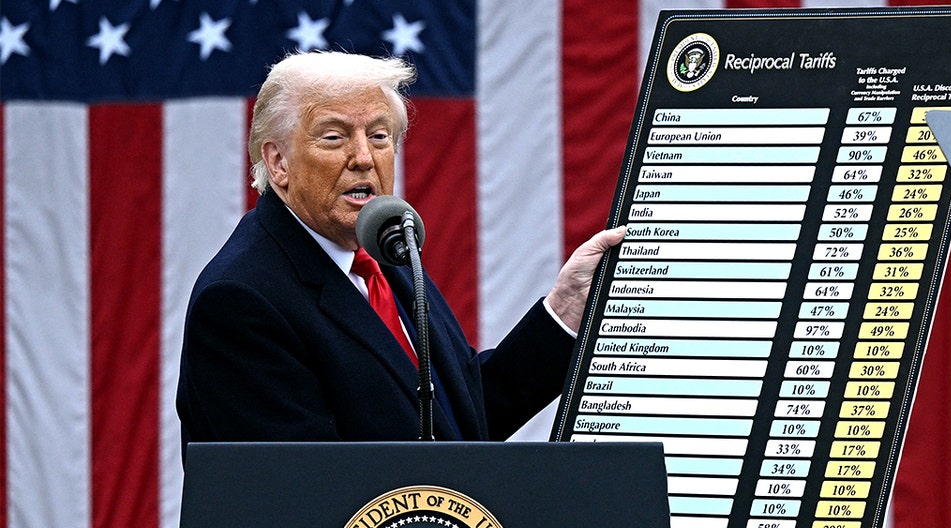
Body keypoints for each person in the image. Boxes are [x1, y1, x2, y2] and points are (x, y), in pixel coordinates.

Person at [176, 51, 622, 450]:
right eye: (334, 137)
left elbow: (455, 420)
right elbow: (303, 496)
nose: (363, 157)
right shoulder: (240, 300)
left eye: (379, 136)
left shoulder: (383, 253)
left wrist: (563, 313)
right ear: (278, 163)